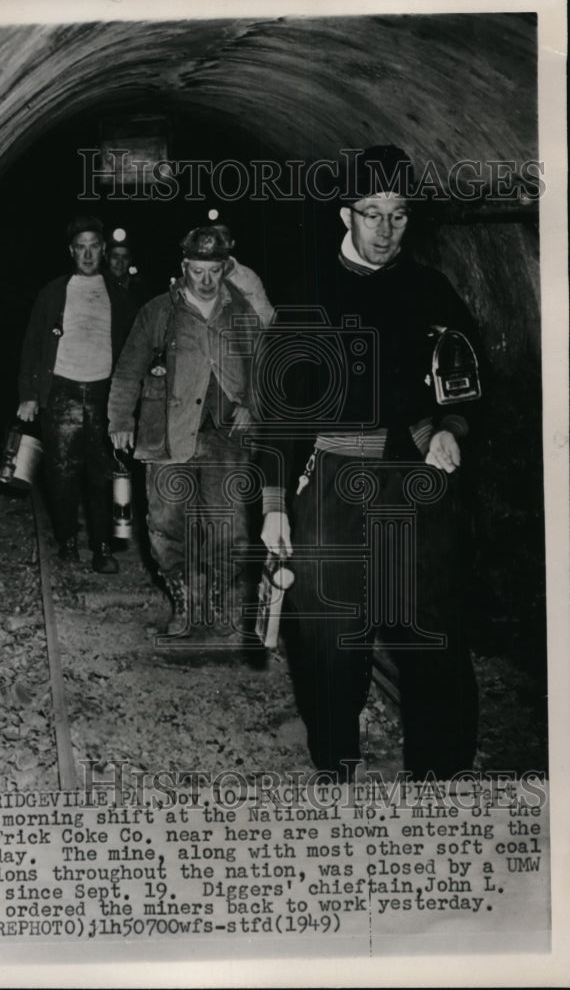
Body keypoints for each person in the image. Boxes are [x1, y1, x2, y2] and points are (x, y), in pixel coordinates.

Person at [258, 145, 481, 780]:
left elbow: (467, 379)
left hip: (415, 477)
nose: (387, 231)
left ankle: (443, 775)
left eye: (400, 215)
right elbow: (278, 411)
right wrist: (274, 505)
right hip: (331, 477)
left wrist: (450, 427)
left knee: (431, 626)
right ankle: (337, 761)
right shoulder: (308, 297)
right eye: (373, 213)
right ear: (344, 214)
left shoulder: (431, 291)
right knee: (327, 630)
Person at [107, 225, 269, 640]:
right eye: (198, 270)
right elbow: (128, 368)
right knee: (165, 526)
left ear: (225, 268)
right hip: (168, 432)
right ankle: (183, 598)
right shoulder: (159, 311)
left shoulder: (243, 313)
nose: (206, 280)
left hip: (226, 437)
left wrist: (253, 406)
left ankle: (213, 599)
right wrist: (121, 421)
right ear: (184, 267)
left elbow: (265, 369)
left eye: (214, 270)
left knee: (231, 526)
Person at [17, 215, 136, 573]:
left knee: (101, 473)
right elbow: (33, 344)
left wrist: (128, 403)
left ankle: (102, 547)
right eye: (80, 248)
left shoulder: (120, 295)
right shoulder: (53, 292)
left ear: (103, 250)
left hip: (104, 391)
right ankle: (68, 539)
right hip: (63, 390)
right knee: (61, 471)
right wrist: (29, 393)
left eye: (93, 247)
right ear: (72, 251)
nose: (87, 254)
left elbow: (134, 349)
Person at [105, 238, 151, 310]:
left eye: (125, 257)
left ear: (130, 260)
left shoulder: (139, 289)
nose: (120, 262)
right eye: (115, 257)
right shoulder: (98, 286)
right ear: (107, 258)